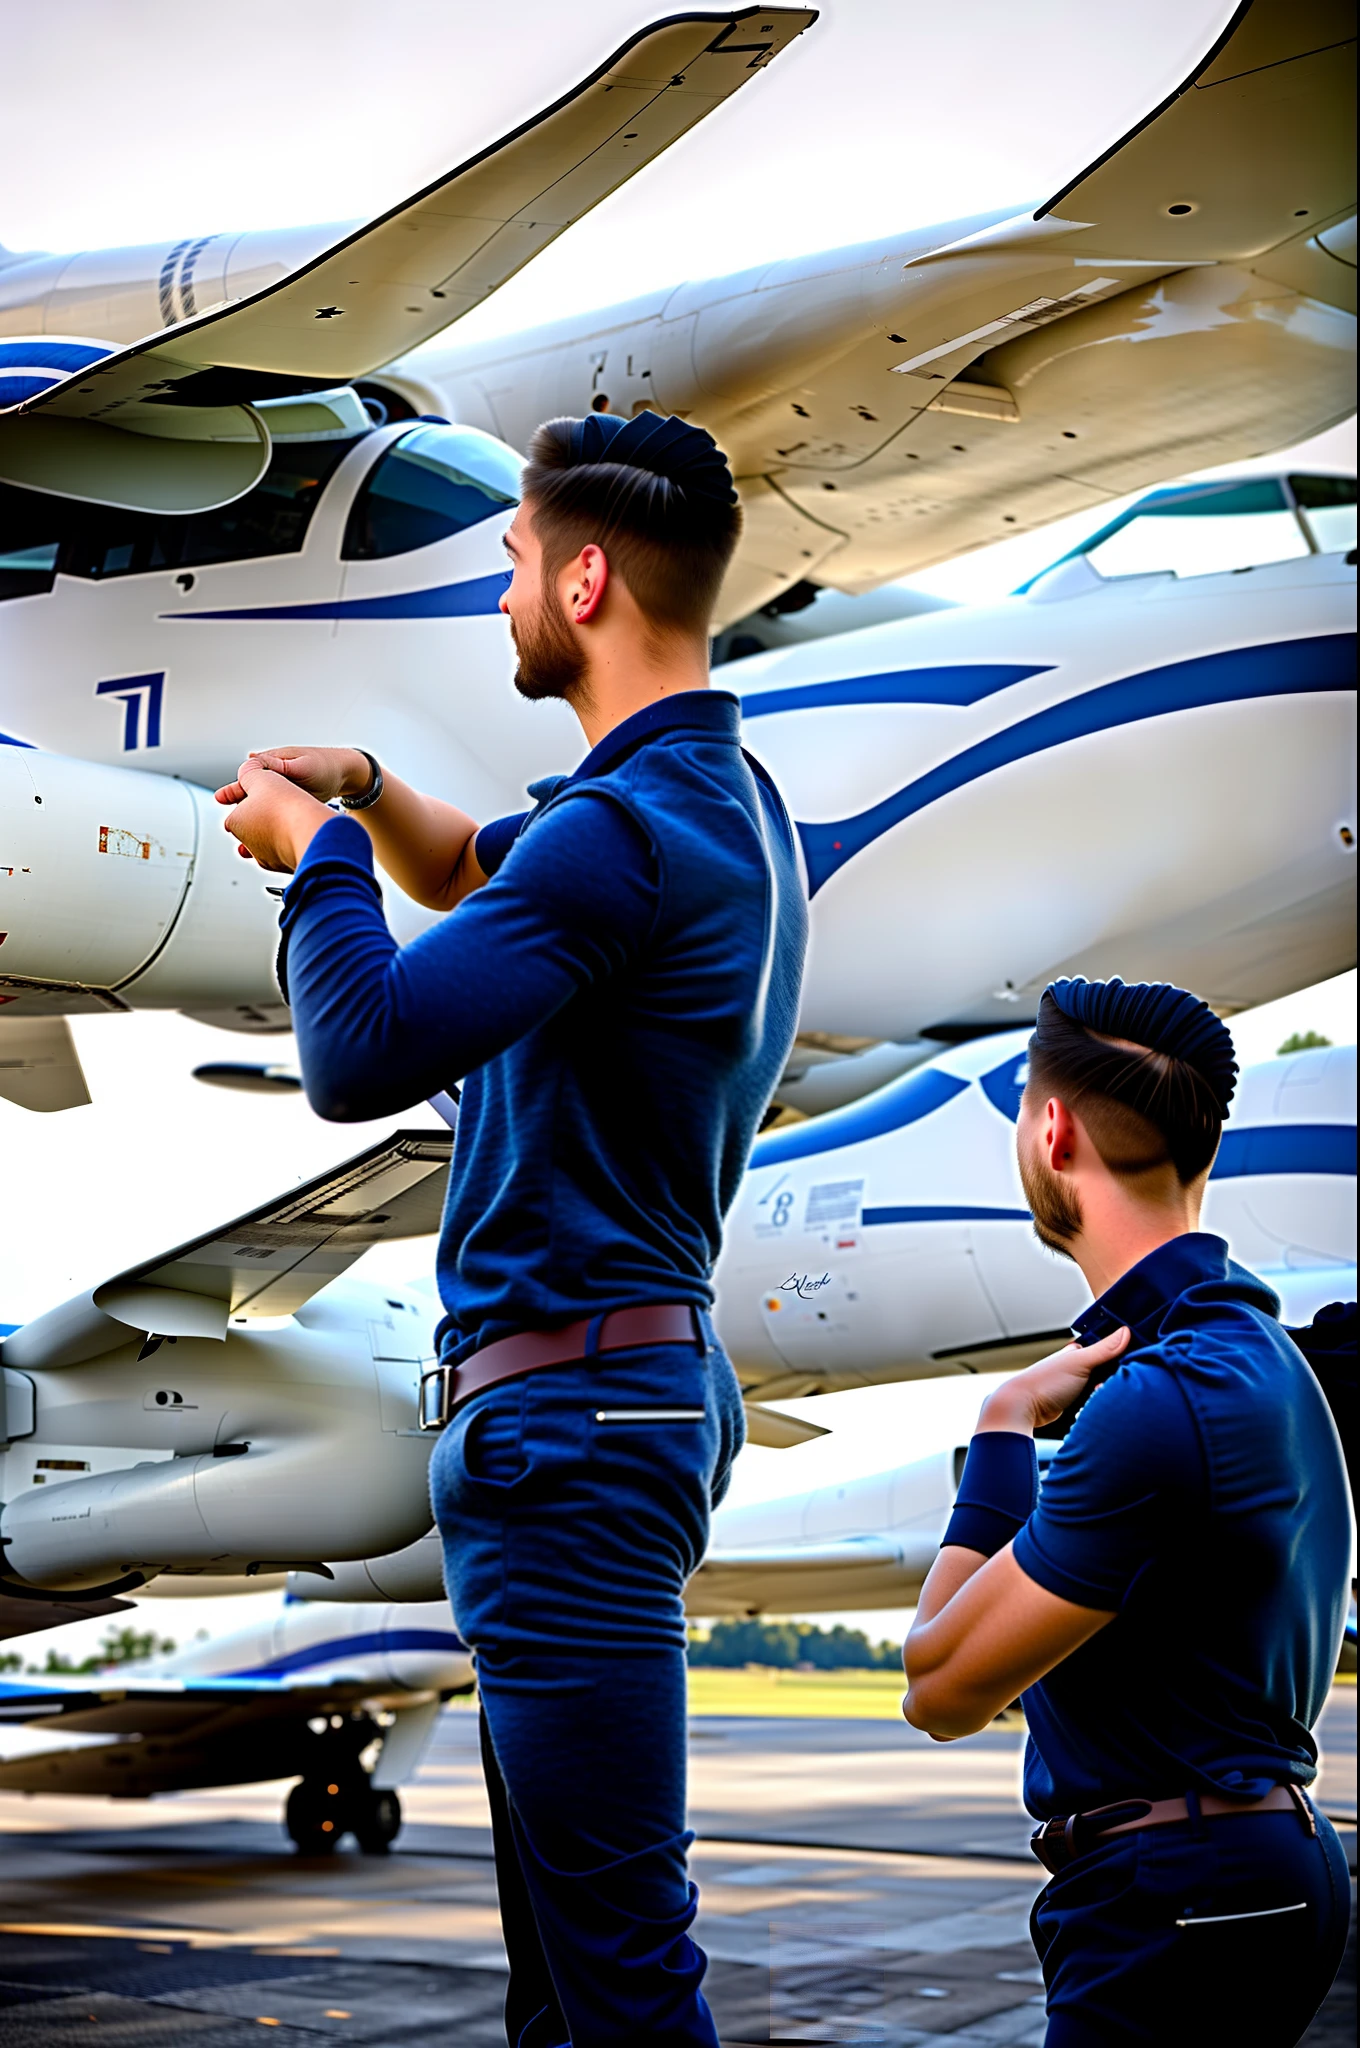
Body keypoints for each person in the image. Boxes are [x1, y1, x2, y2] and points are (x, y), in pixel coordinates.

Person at [215, 410, 808, 2047]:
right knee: (568, 1983)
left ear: (589, 576)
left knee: (617, 1978)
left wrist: (315, 857)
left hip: (573, 1430)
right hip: (611, 1415)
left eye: (515, 565)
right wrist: (376, 791)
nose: (500, 601)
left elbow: (362, 1049)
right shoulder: (722, 805)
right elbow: (490, 863)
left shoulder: (620, 841)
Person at [901, 978, 1353, 2048]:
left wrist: (1004, 1424)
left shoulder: (1164, 1401)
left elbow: (939, 1683)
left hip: (1176, 1898)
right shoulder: (1263, 1359)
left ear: (1051, 1132)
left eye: (1020, 1106)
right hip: (1246, 1867)